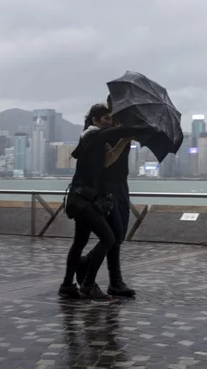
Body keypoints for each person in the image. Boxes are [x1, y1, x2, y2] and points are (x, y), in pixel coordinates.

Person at [59, 103, 151, 300]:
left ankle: (67, 285)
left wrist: (124, 140)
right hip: (84, 200)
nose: (109, 123)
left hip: (81, 198)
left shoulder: (92, 139)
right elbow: (111, 138)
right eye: (106, 119)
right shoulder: (93, 135)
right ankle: (88, 286)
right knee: (109, 239)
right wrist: (140, 127)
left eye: (111, 119)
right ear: (95, 120)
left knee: (80, 242)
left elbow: (108, 161)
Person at [76, 95, 136, 297]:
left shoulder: (121, 127)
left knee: (118, 236)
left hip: (122, 185)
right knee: (114, 235)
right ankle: (113, 281)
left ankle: (110, 278)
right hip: (107, 187)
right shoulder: (106, 131)